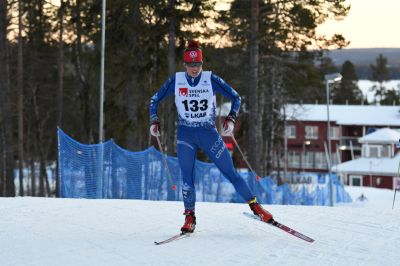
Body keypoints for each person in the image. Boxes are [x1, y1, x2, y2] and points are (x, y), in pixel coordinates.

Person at [149, 40, 273, 233]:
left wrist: (231, 119)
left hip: (208, 134)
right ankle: (189, 217)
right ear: (185, 65)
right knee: (187, 176)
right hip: (186, 135)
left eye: (197, 64)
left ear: (202, 63)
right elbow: (154, 100)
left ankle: (256, 207)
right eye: (190, 65)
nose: (194, 69)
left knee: (230, 172)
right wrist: (154, 120)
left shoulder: (210, 79)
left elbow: (236, 97)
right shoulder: (176, 80)